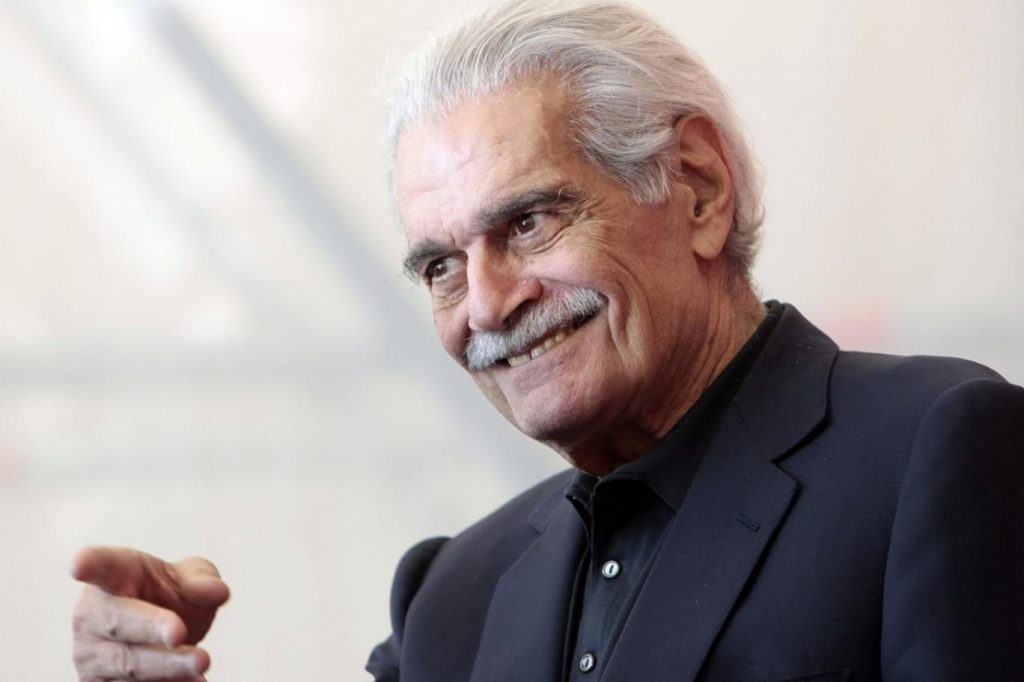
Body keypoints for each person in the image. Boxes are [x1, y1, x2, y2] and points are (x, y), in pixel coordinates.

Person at [70, 1, 1024, 681]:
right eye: (441, 266)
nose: (486, 306)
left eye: (527, 224)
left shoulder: (935, 451)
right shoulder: (454, 594)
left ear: (697, 188)